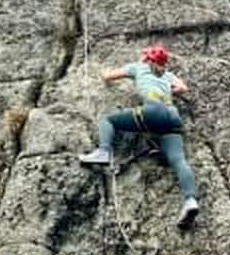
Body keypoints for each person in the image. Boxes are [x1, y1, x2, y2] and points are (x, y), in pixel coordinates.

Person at [78, 44, 199, 228]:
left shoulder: (138, 67)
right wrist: (166, 90)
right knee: (178, 160)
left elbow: (108, 77)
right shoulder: (167, 75)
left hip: (152, 111)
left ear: (147, 58)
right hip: (172, 116)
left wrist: (100, 71)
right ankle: (190, 200)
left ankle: (104, 152)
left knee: (108, 121)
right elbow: (183, 88)